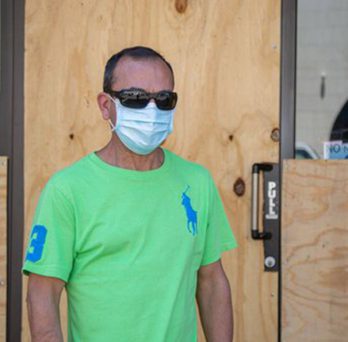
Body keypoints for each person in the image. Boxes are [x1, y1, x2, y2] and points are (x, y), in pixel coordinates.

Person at [22, 46, 238, 342]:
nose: (152, 111)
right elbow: (42, 295)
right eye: (135, 98)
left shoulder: (197, 182)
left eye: (164, 99)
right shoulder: (67, 191)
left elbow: (212, 281)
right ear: (105, 105)